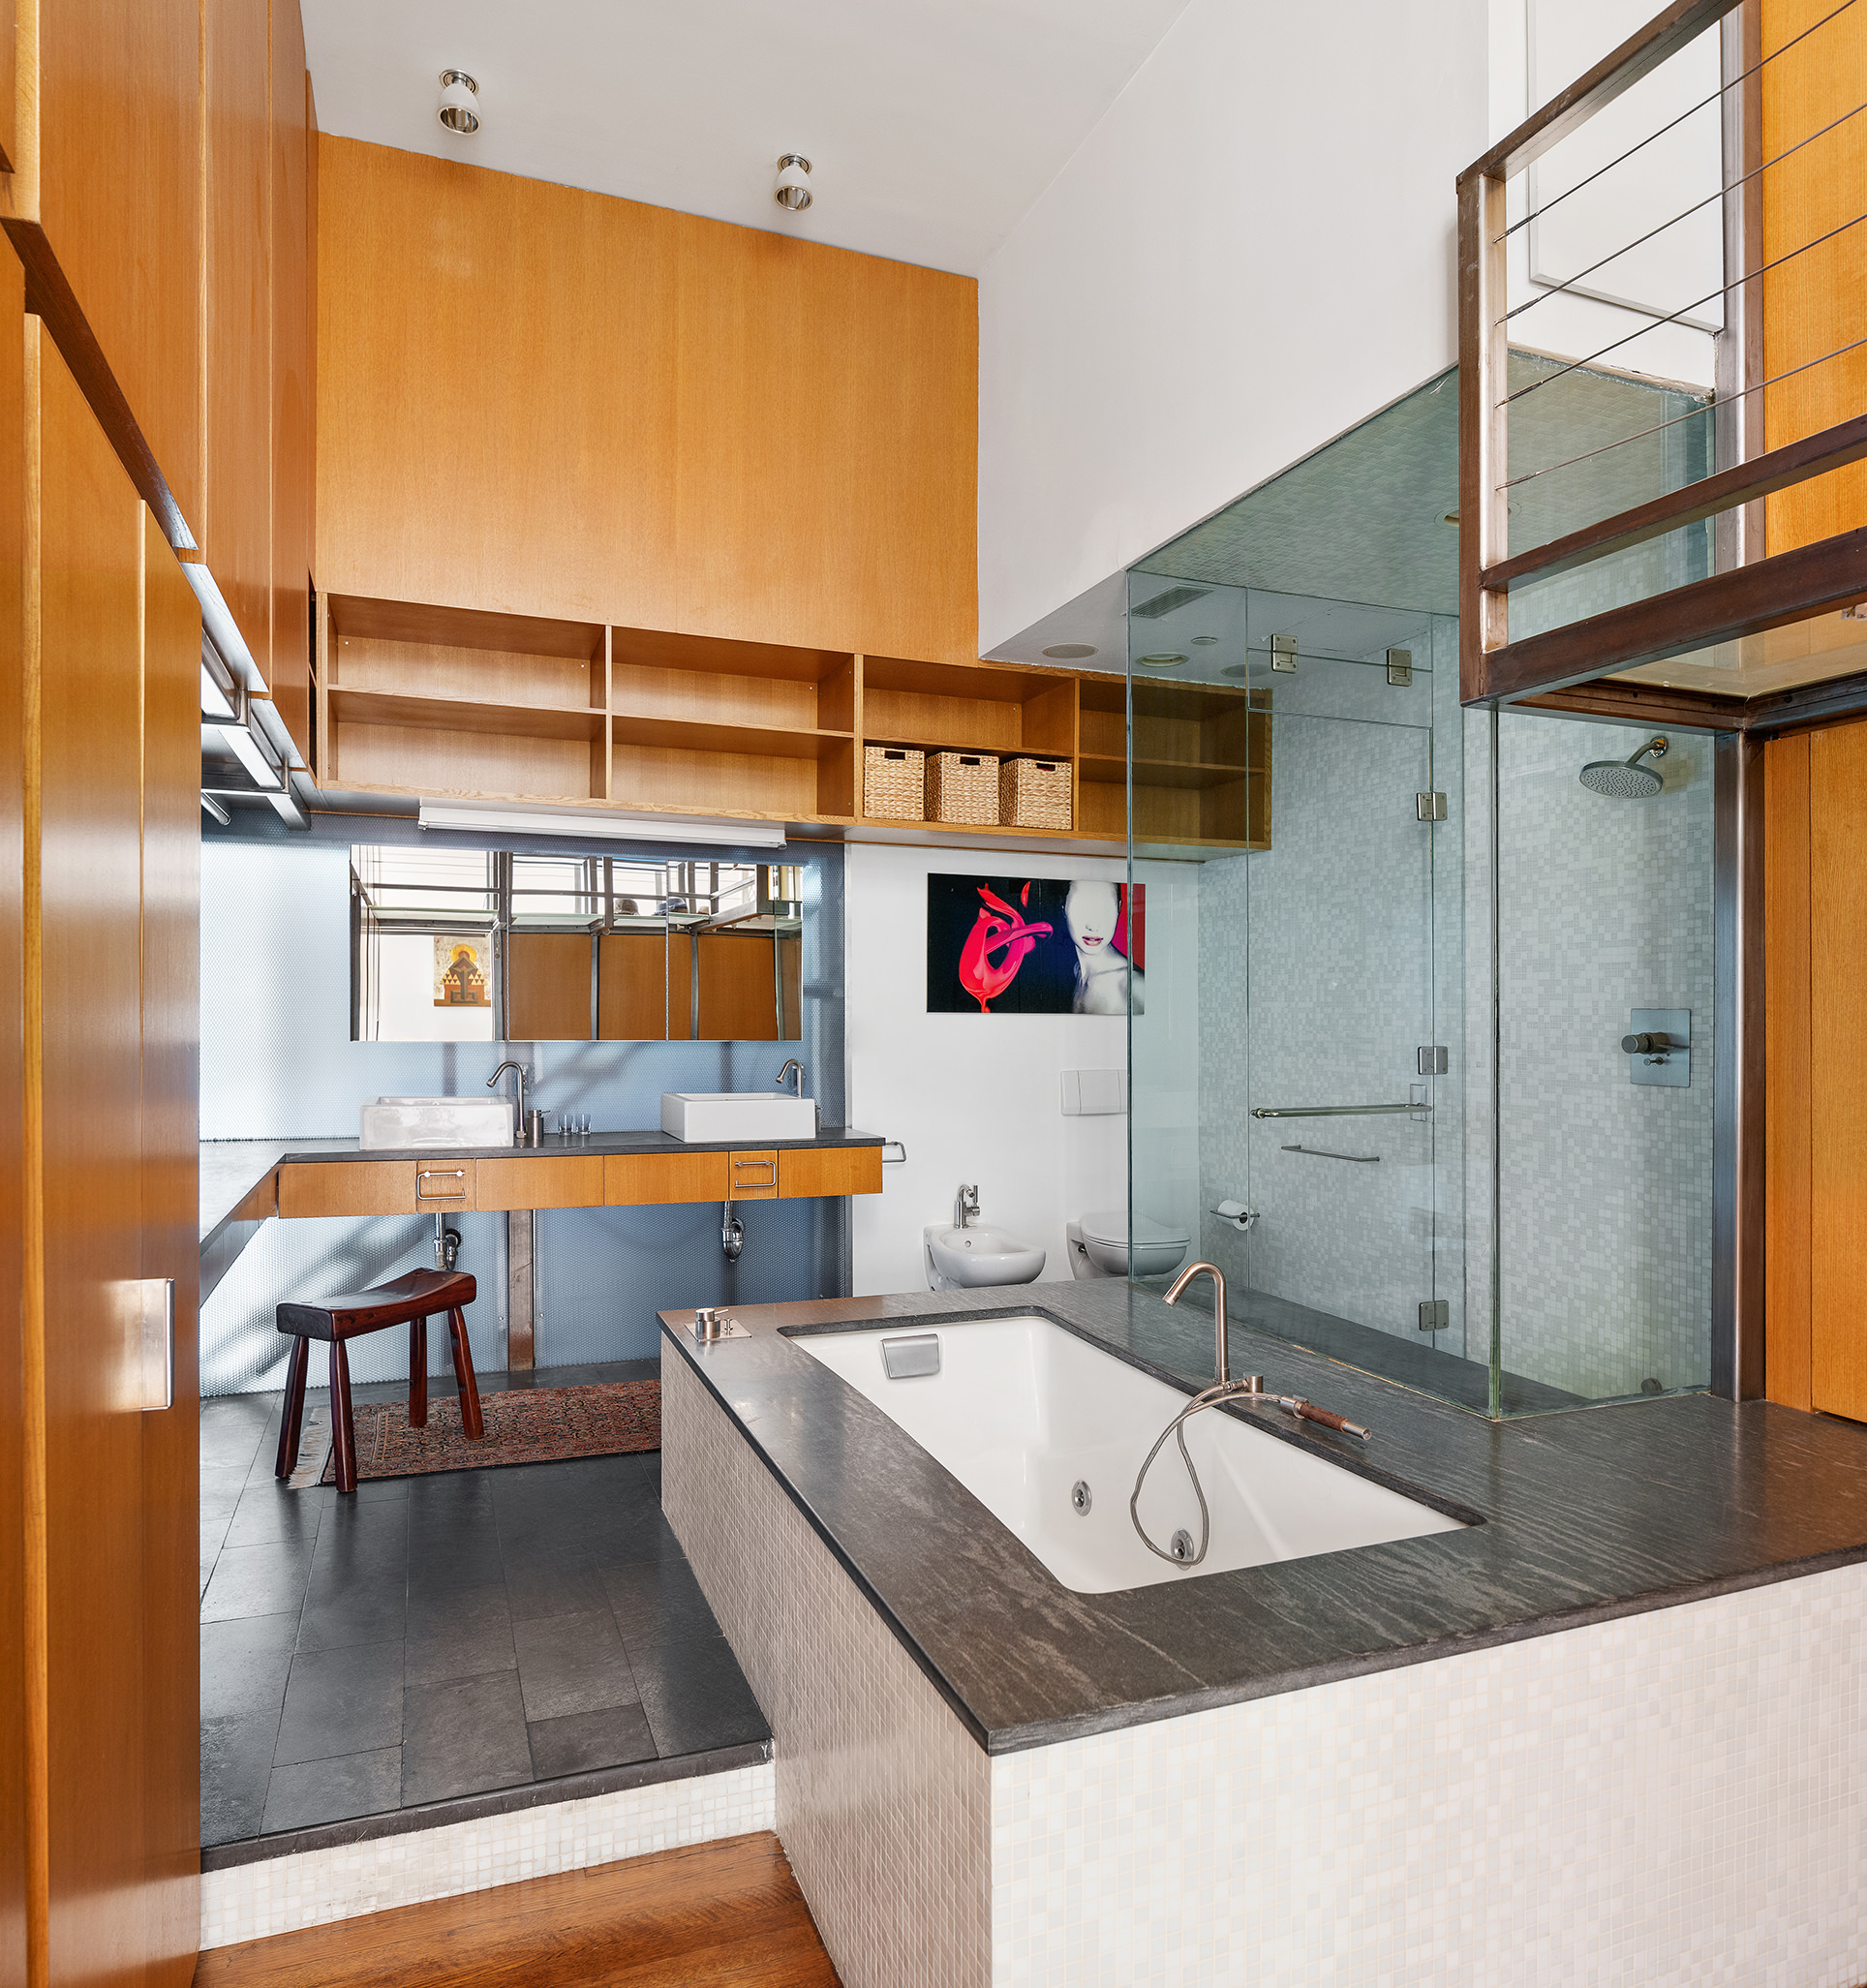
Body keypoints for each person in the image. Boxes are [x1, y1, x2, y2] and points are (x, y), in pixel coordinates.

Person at [1063, 880, 1143, 1014]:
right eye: (1081, 907)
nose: (1093, 926)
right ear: (1063, 905)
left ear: (1119, 908)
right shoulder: (1074, 971)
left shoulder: (1133, 988)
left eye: (1105, 908)